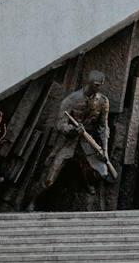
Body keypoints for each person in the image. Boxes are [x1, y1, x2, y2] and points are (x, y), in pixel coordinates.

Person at [35, 71, 113, 207]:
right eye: (96, 85)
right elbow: (60, 124)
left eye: (100, 85)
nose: (98, 88)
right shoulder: (71, 100)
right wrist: (72, 130)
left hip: (88, 144)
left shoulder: (103, 101)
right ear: (89, 83)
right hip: (69, 143)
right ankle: (33, 200)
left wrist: (104, 150)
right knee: (50, 176)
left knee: (103, 173)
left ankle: (87, 178)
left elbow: (103, 127)